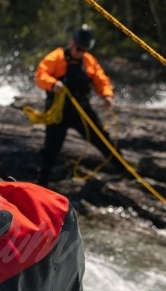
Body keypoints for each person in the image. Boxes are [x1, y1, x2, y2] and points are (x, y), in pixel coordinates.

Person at [35, 24, 121, 186]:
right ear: (71, 42)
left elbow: (101, 79)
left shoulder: (89, 60)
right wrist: (53, 84)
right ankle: (42, 182)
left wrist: (107, 95)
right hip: (58, 112)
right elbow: (41, 74)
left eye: (84, 50)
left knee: (102, 138)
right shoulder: (56, 57)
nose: (80, 53)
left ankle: (124, 170)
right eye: (78, 49)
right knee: (51, 148)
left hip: (82, 111)